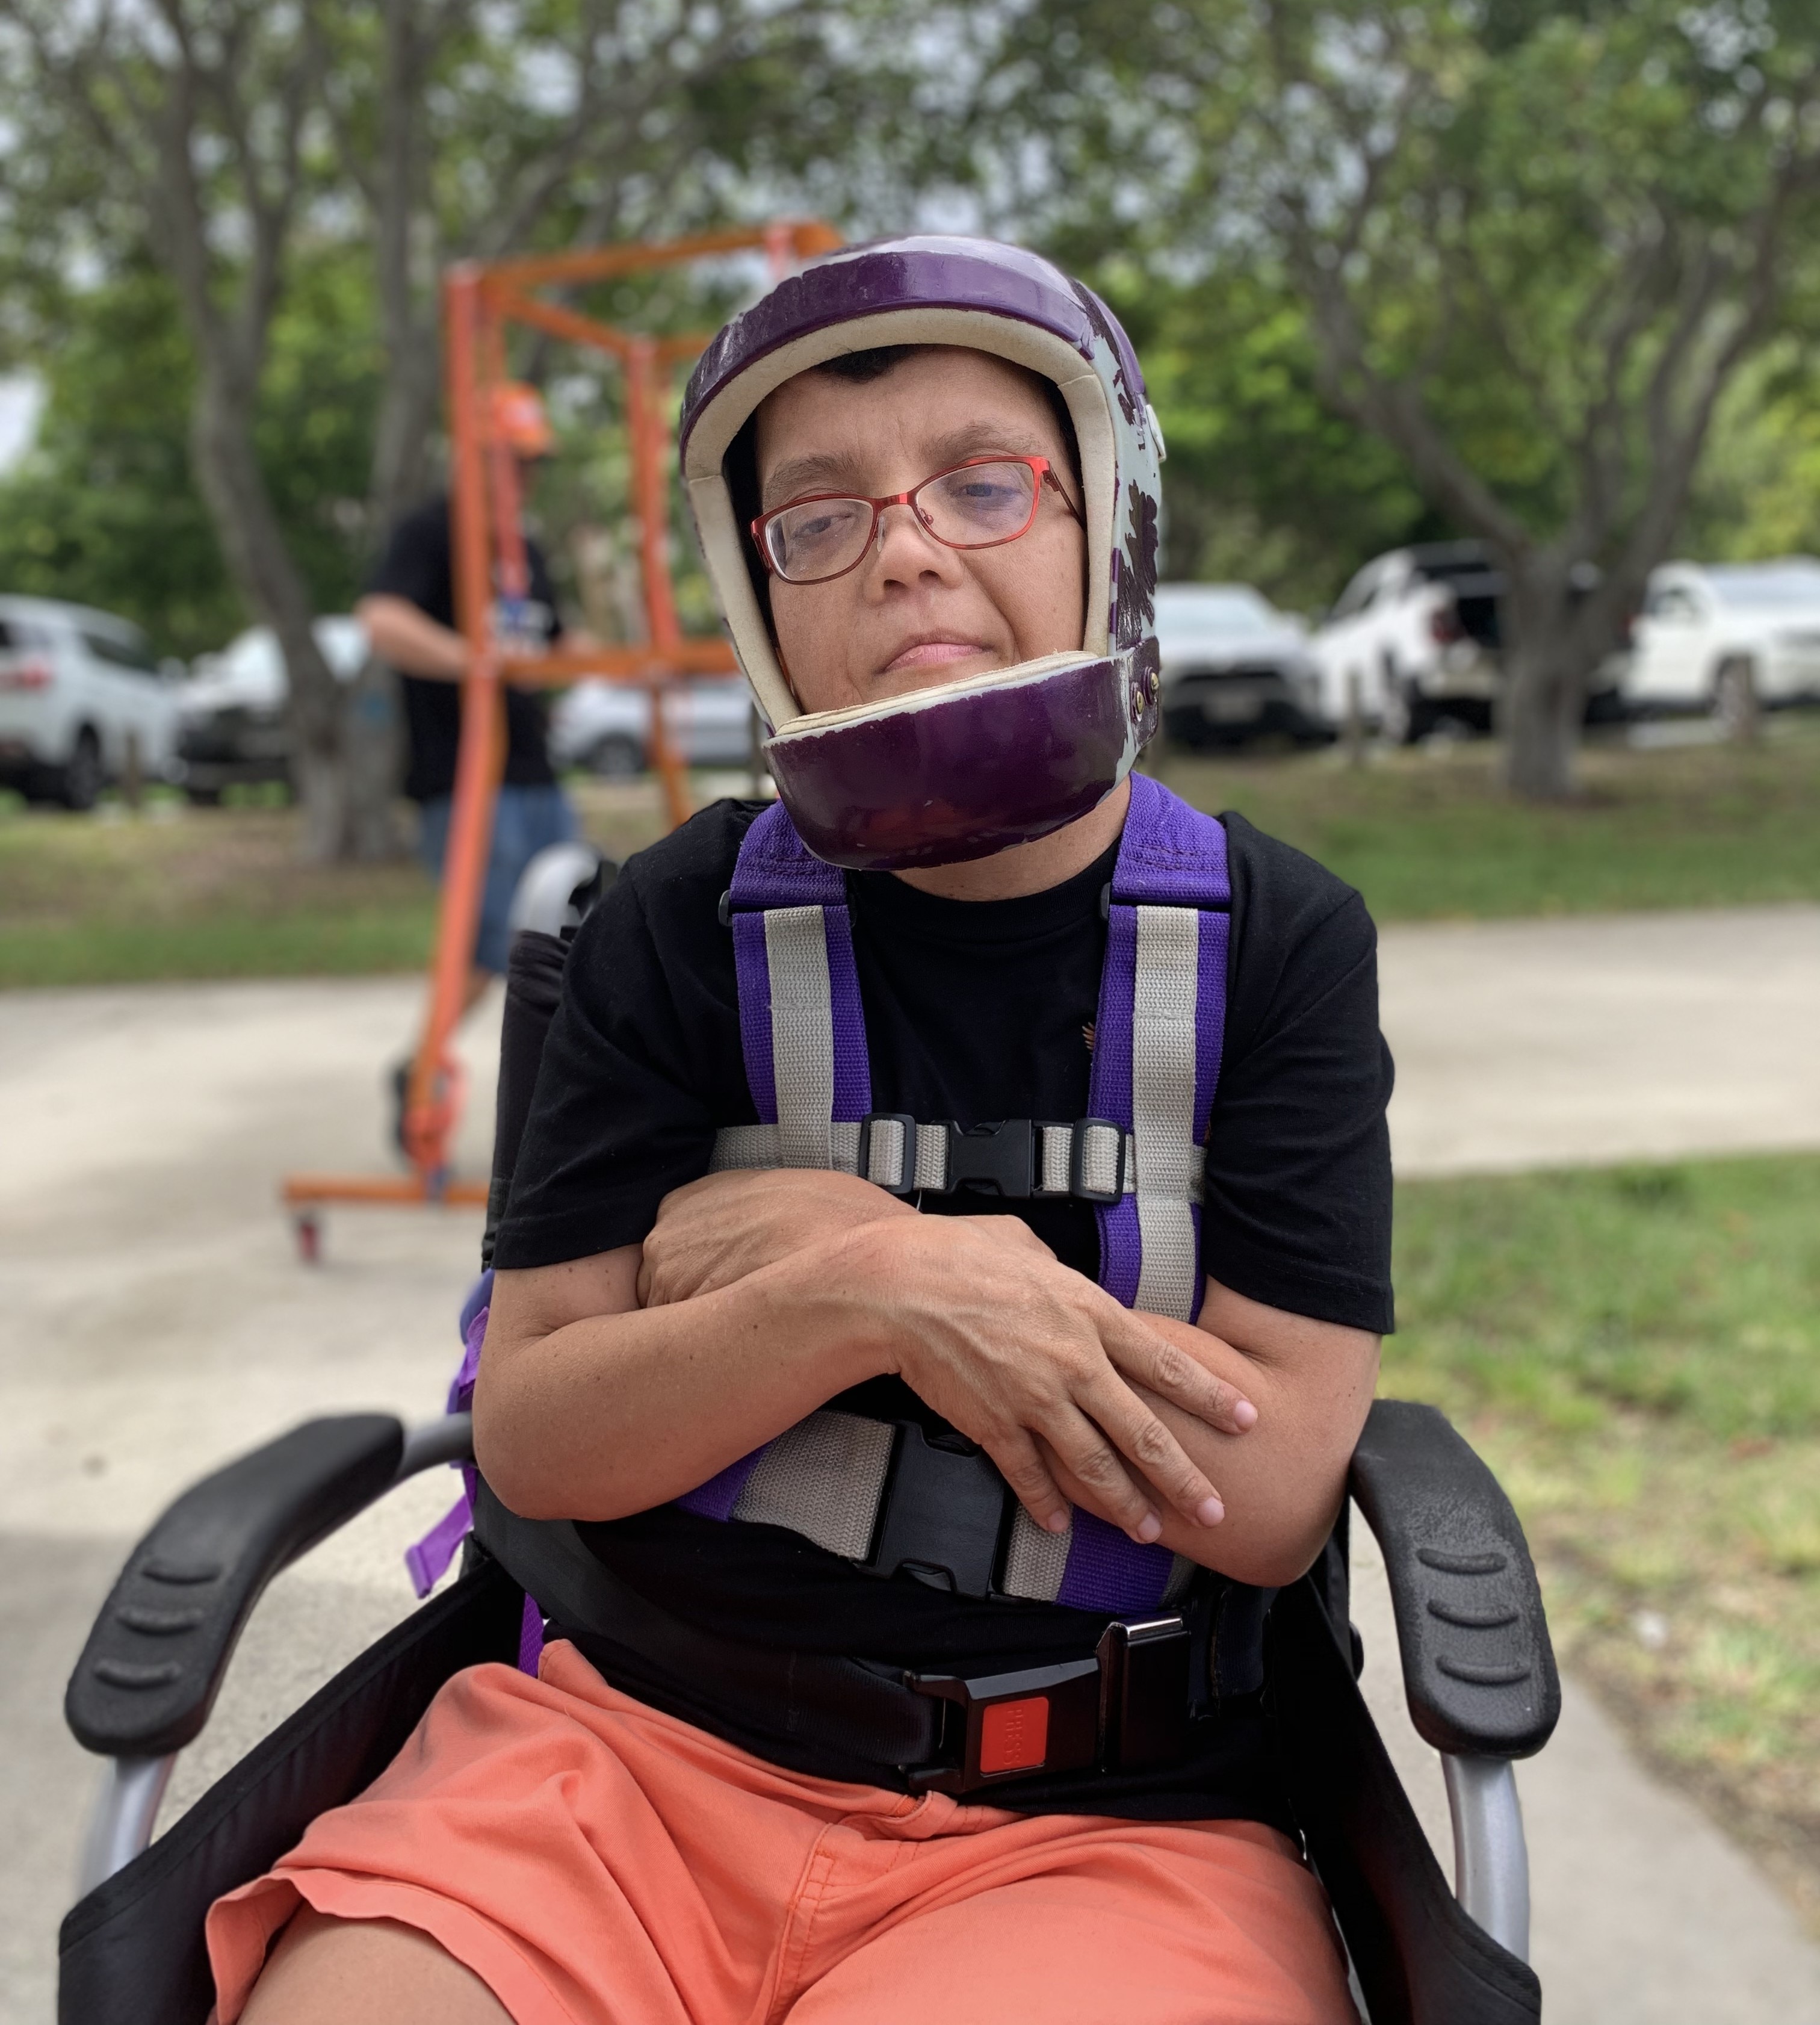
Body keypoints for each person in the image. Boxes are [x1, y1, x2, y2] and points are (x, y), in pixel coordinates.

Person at [209, 240, 1393, 2025]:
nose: (903, 549)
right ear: (760, 590)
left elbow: (1277, 1488)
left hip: (1096, 1823)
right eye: (820, 517)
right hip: (621, 1765)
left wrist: (798, 1245)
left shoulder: (1277, 941)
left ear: (1110, 520)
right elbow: (536, 1429)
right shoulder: (667, 923)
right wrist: (869, 1286)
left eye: (983, 483)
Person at [357, 383, 580, 1143]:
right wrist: (472, 661)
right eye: (512, 462)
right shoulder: (433, 533)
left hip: (535, 771)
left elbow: (554, 645)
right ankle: (423, 1070)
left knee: (572, 926)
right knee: (496, 942)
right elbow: (382, 620)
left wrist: (627, 666)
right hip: (465, 775)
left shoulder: (524, 552)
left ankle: (562, 1095)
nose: (525, 478)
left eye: (532, 464)